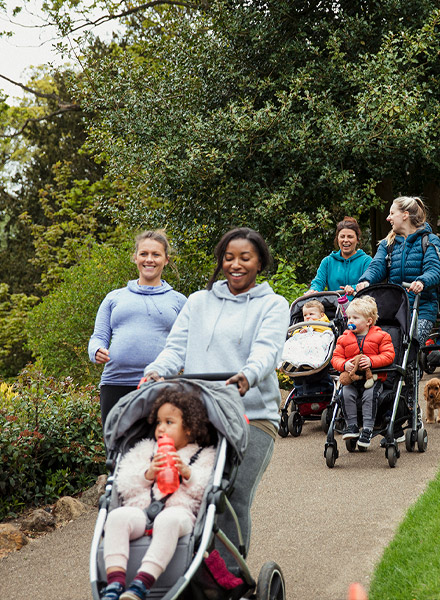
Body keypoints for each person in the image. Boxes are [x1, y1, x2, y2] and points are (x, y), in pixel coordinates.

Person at [143, 227, 289, 570]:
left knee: (231, 495)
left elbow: (267, 351)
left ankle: (229, 576)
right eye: (228, 257)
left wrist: (248, 374)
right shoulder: (199, 302)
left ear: (259, 262)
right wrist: (155, 371)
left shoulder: (273, 305)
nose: (235, 265)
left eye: (245, 258)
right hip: (200, 414)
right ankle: (186, 568)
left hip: (251, 415)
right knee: (189, 492)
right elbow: (175, 349)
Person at [100, 388, 217, 600]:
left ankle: (141, 584)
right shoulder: (146, 450)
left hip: (180, 513)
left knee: (168, 520)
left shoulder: (203, 455)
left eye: (169, 423)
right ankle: (114, 584)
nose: (161, 428)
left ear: (189, 429)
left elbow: (206, 490)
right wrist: (148, 473)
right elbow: (124, 483)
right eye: (158, 423)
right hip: (142, 511)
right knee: (116, 517)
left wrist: (188, 473)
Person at [88, 230, 187, 427]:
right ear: (135, 258)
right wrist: (96, 351)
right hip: (115, 384)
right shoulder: (114, 298)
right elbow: (98, 337)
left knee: (158, 451)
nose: (149, 259)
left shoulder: (179, 301)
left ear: (166, 260)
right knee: (117, 451)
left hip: (161, 385)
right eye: (143, 254)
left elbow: (188, 343)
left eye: (156, 254)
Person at [356, 196, 440, 347]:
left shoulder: (429, 240)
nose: (388, 218)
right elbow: (376, 266)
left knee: (410, 345)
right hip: (394, 309)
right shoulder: (387, 244)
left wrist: (421, 281)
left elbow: (434, 270)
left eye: (391, 213)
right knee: (386, 346)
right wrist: (366, 280)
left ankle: (419, 360)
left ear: (405, 215)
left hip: (421, 308)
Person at [331, 296, 395, 448]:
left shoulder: (382, 336)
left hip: (373, 379)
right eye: (349, 318)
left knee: (369, 396)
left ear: (368, 321)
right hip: (352, 380)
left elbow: (389, 356)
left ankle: (367, 429)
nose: (350, 321)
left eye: (355, 318)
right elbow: (336, 358)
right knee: (345, 393)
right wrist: (344, 364)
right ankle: (351, 425)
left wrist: (372, 361)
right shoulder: (343, 338)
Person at [306, 216, 372, 299]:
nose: (345, 240)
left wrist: (353, 288)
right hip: (334, 307)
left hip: (359, 307)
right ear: (337, 239)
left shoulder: (366, 261)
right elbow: (318, 282)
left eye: (350, 237)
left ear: (357, 239)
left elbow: (368, 284)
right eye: (342, 236)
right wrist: (313, 290)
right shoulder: (328, 261)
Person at [280, 299, 334, 370]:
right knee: (291, 344)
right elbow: (295, 333)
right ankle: (289, 361)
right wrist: (300, 332)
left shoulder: (324, 322)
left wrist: (311, 327)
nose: (307, 317)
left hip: (317, 339)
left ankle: (311, 363)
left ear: (322, 315)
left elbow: (326, 330)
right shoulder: (304, 325)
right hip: (304, 341)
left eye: (311, 314)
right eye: (305, 315)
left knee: (315, 345)